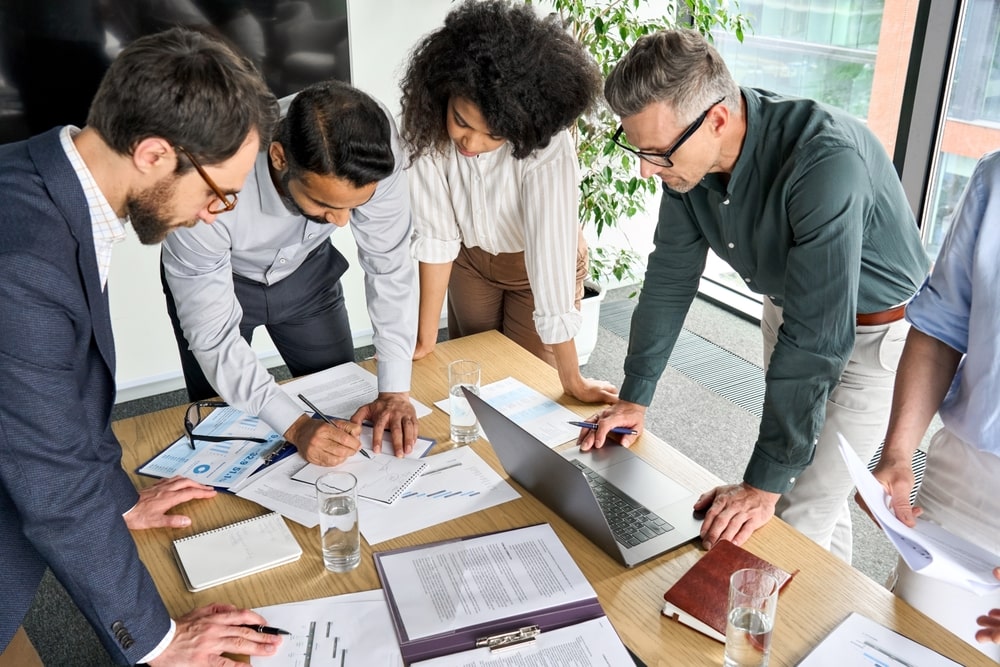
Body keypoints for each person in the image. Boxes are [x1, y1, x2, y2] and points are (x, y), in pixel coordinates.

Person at [582, 28, 930, 563]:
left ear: (717, 120)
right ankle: (829, 621)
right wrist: (636, 394)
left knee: (791, 518)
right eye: (637, 148)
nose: (647, 169)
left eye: (657, 152)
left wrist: (761, 482)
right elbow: (671, 274)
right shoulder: (687, 165)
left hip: (873, 338)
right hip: (790, 312)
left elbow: (818, 339)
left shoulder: (823, 162)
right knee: (820, 503)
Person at [0, 27, 282, 666]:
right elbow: (51, 482)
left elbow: (57, 398)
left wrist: (117, 496)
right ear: (155, 152)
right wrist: (161, 643)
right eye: (218, 192)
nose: (218, 213)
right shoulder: (22, 262)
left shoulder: (42, 184)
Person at [162, 78, 419, 464]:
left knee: (339, 398)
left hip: (310, 275)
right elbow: (213, 337)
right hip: (220, 279)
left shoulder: (375, 144)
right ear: (279, 157)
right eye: (324, 203)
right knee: (221, 423)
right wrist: (295, 427)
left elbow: (390, 264)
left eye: (355, 205)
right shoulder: (202, 184)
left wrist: (395, 391)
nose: (343, 222)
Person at [399, 0, 618, 404]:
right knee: (471, 381)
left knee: (531, 389)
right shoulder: (426, 123)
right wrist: (425, 339)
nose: (470, 142)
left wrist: (572, 379)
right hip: (469, 260)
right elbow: (436, 234)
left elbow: (550, 257)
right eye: (461, 121)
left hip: (534, 266)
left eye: (492, 135)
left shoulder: (546, 144)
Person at [863, 151, 1000, 658]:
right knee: (904, 644)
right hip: (963, 482)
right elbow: (941, 331)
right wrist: (898, 456)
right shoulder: (995, 178)